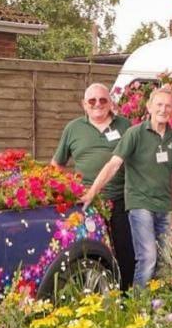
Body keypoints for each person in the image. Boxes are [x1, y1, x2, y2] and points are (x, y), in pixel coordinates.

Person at [81, 88, 172, 290]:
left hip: (164, 206)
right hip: (140, 203)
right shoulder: (135, 134)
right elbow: (113, 164)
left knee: (164, 259)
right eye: (159, 105)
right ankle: (138, 307)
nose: (163, 109)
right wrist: (92, 192)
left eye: (167, 106)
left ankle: (158, 306)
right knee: (147, 256)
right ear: (149, 107)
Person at [51, 83, 135, 291]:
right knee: (88, 251)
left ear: (110, 103)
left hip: (120, 198)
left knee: (125, 251)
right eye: (92, 101)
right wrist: (64, 191)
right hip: (86, 202)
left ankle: (125, 297)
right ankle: (92, 293)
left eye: (103, 100)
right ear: (84, 105)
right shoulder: (73, 128)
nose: (97, 104)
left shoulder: (125, 126)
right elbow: (57, 165)